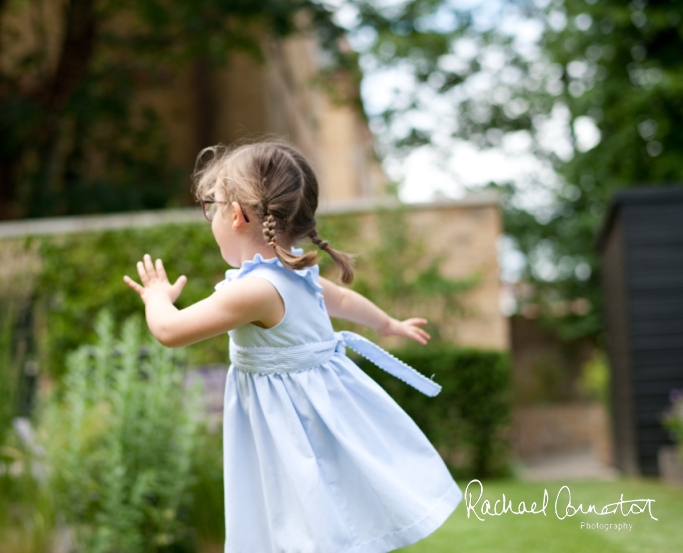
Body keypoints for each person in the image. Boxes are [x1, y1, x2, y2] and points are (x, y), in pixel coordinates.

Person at [124, 141, 462, 553]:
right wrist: (386, 323)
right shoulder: (296, 273)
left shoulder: (254, 290)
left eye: (211, 206)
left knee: (298, 521)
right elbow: (343, 300)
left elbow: (170, 331)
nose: (209, 217)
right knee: (320, 516)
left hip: (290, 427)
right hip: (317, 415)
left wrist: (156, 298)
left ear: (237, 215)